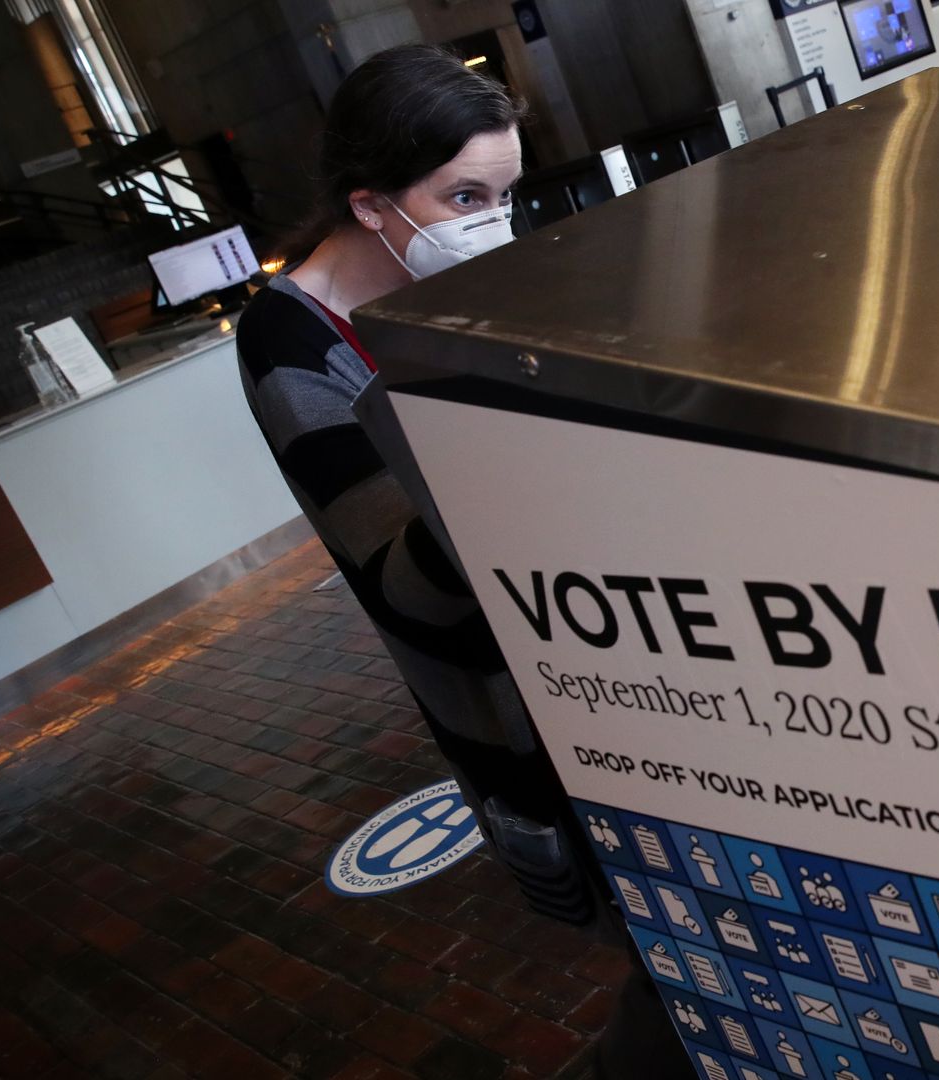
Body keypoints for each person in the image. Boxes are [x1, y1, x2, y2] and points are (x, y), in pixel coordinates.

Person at [235, 45, 597, 923]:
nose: (493, 223)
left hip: (595, 655)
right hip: (513, 715)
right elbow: (407, 590)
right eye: (466, 198)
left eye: (504, 196)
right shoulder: (292, 344)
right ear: (370, 202)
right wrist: (494, 453)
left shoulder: (458, 283)